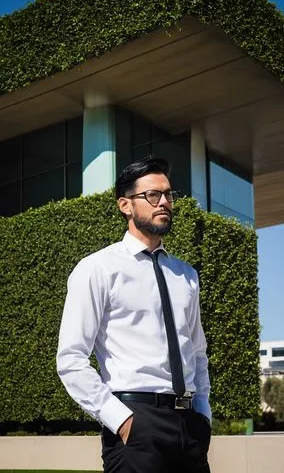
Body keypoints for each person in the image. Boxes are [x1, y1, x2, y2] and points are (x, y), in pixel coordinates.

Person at [57, 156, 211, 473]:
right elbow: (71, 359)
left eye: (168, 194)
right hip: (137, 425)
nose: (164, 202)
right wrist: (123, 421)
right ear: (126, 205)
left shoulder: (186, 275)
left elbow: (197, 352)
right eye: (152, 195)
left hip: (189, 427)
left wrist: (203, 414)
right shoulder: (98, 269)